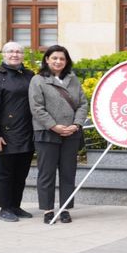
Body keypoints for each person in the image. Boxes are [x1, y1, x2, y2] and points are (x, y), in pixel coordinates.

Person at [28, 45, 87, 224]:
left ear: (66, 61)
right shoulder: (38, 80)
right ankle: (48, 210)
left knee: (68, 172)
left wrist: (76, 124)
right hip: (47, 133)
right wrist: (54, 126)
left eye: (62, 58)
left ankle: (65, 209)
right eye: (54, 58)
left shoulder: (73, 79)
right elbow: (36, 108)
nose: (58, 61)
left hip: (71, 133)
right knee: (47, 173)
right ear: (47, 59)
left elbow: (83, 104)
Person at [0, 43, 34, 222]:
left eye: (18, 51)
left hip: (26, 132)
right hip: (4, 134)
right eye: (11, 51)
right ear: (4, 55)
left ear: (23, 55)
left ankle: (16, 206)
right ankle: (5, 208)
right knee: (5, 173)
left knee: (21, 173)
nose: (15, 54)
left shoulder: (30, 75)